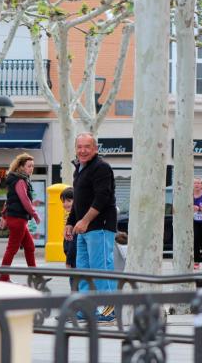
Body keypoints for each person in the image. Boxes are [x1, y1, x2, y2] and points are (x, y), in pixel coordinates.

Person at [64, 132, 117, 324]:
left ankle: (109, 310)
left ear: (95, 149)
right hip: (83, 229)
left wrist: (85, 220)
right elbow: (78, 200)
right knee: (83, 269)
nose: (83, 150)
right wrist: (70, 223)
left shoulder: (101, 168)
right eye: (80, 147)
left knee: (101, 267)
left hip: (100, 226)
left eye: (87, 147)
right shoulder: (79, 168)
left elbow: (102, 197)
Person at [0, 153, 40, 282]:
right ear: (21, 167)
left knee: (29, 247)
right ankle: (4, 279)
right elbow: (25, 200)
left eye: (32, 166)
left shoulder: (17, 179)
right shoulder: (20, 180)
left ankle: (35, 276)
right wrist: (35, 214)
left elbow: (9, 201)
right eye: (29, 166)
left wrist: (4, 216)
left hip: (17, 218)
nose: (31, 169)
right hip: (18, 219)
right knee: (12, 249)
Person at [60, 187, 76, 270]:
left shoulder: (74, 220)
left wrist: (68, 261)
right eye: (63, 201)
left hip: (74, 259)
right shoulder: (68, 217)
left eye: (69, 201)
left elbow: (73, 243)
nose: (65, 204)